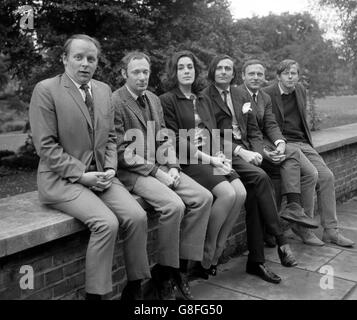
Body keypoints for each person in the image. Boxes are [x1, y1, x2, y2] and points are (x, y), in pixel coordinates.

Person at [29, 34, 151, 301]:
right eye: (78, 57)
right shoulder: (46, 90)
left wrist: (109, 168)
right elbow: (46, 146)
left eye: (91, 58)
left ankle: (135, 286)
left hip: (102, 176)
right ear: (64, 59)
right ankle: (96, 295)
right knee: (106, 223)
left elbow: (109, 137)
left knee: (137, 216)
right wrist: (81, 176)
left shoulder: (103, 90)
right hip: (63, 180)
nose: (85, 63)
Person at [112, 51, 212, 300]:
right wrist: (158, 173)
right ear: (124, 74)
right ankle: (166, 273)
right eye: (136, 72)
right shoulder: (114, 102)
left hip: (161, 166)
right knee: (174, 205)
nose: (142, 76)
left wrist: (174, 166)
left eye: (146, 71)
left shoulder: (154, 100)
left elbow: (164, 137)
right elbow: (122, 152)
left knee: (204, 197)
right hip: (133, 172)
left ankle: (179, 267)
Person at [203, 54, 298, 284]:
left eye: (228, 68)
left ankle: (256, 262)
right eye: (220, 68)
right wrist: (240, 152)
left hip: (247, 152)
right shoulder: (204, 97)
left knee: (255, 197)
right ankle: (281, 238)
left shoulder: (240, 94)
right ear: (213, 71)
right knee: (262, 177)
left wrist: (260, 153)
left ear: (234, 73)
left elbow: (254, 130)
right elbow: (210, 136)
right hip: (222, 154)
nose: (224, 72)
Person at [159, 50, 247, 279]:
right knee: (227, 194)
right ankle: (209, 250)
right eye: (181, 67)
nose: (186, 71)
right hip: (190, 160)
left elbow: (213, 131)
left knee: (240, 192)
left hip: (211, 156)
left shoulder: (203, 98)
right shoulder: (167, 100)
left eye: (190, 67)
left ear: (196, 71)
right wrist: (210, 159)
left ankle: (219, 245)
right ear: (174, 72)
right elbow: (175, 139)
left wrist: (221, 155)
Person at [263, 59, 355, 248]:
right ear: (278, 76)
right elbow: (266, 126)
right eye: (286, 73)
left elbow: (301, 121)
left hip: (303, 143)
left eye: (294, 73)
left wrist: (306, 143)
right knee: (310, 174)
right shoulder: (267, 94)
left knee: (327, 177)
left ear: (298, 75)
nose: (290, 76)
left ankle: (331, 231)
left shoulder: (301, 90)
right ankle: (302, 228)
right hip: (283, 143)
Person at [238, 59, 322, 246]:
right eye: (251, 73)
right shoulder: (236, 96)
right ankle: (280, 222)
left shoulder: (264, 98)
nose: (256, 77)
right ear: (242, 76)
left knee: (299, 163)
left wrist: (280, 143)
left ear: (265, 77)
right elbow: (245, 133)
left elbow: (270, 124)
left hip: (264, 142)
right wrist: (265, 152)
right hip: (245, 149)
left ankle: (294, 212)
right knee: (277, 170)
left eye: (259, 74)